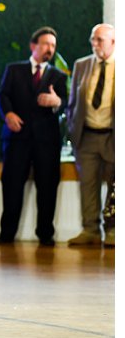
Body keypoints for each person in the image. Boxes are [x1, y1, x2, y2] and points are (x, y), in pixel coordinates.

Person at [0, 28, 69, 246]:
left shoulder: (59, 76)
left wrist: (56, 103)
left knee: (47, 187)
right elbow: (2, 95)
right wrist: (8, 114)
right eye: (46, 44)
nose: (50, 49)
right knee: (11, 186)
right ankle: (7, 232)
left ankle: (45, 233)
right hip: (17, 137)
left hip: (46, 141)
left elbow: (65, 103)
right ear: (33, 45)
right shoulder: (14, 70)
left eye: (53, 46)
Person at [65, 24, 115, 247]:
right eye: (93, 40)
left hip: (113, 136)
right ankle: (90, 230)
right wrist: (71, 126)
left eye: (100, 40)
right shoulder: (82, 65)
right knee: (88, 184)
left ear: (113, 42)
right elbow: (72, 102)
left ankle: (113, 230)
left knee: (115, 186)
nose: (95, 44)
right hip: (86, 137)